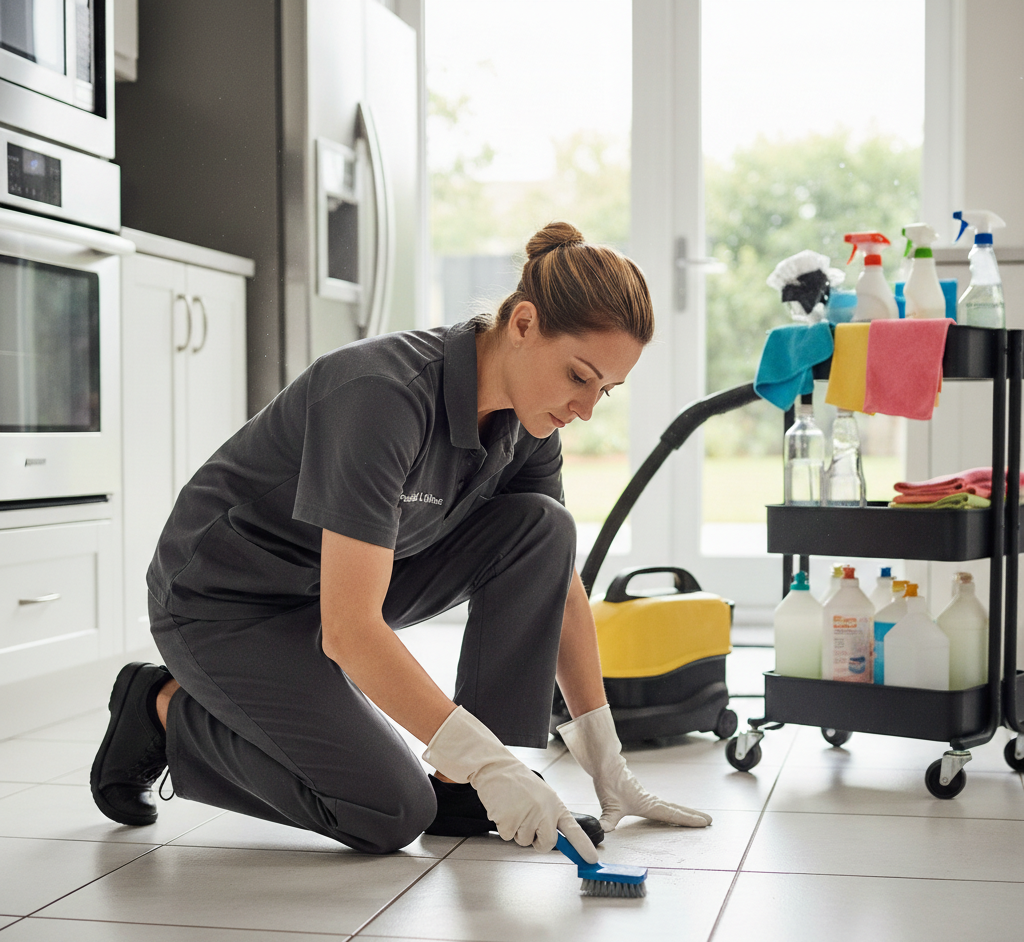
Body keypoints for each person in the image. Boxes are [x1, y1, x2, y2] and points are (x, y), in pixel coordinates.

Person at [90, 221, 713, 863]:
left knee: (543, 526)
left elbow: (557, 580)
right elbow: (350, 631)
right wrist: (491, 762)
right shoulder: (381, 397)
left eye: (604, 390)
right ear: (523, 324)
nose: (586, 408)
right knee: (391, 814)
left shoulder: (530, 419)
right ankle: (161, 710)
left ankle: (465, 792)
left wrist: (604, 753)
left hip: (340, 591)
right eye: (579, 376)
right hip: (227, 606)